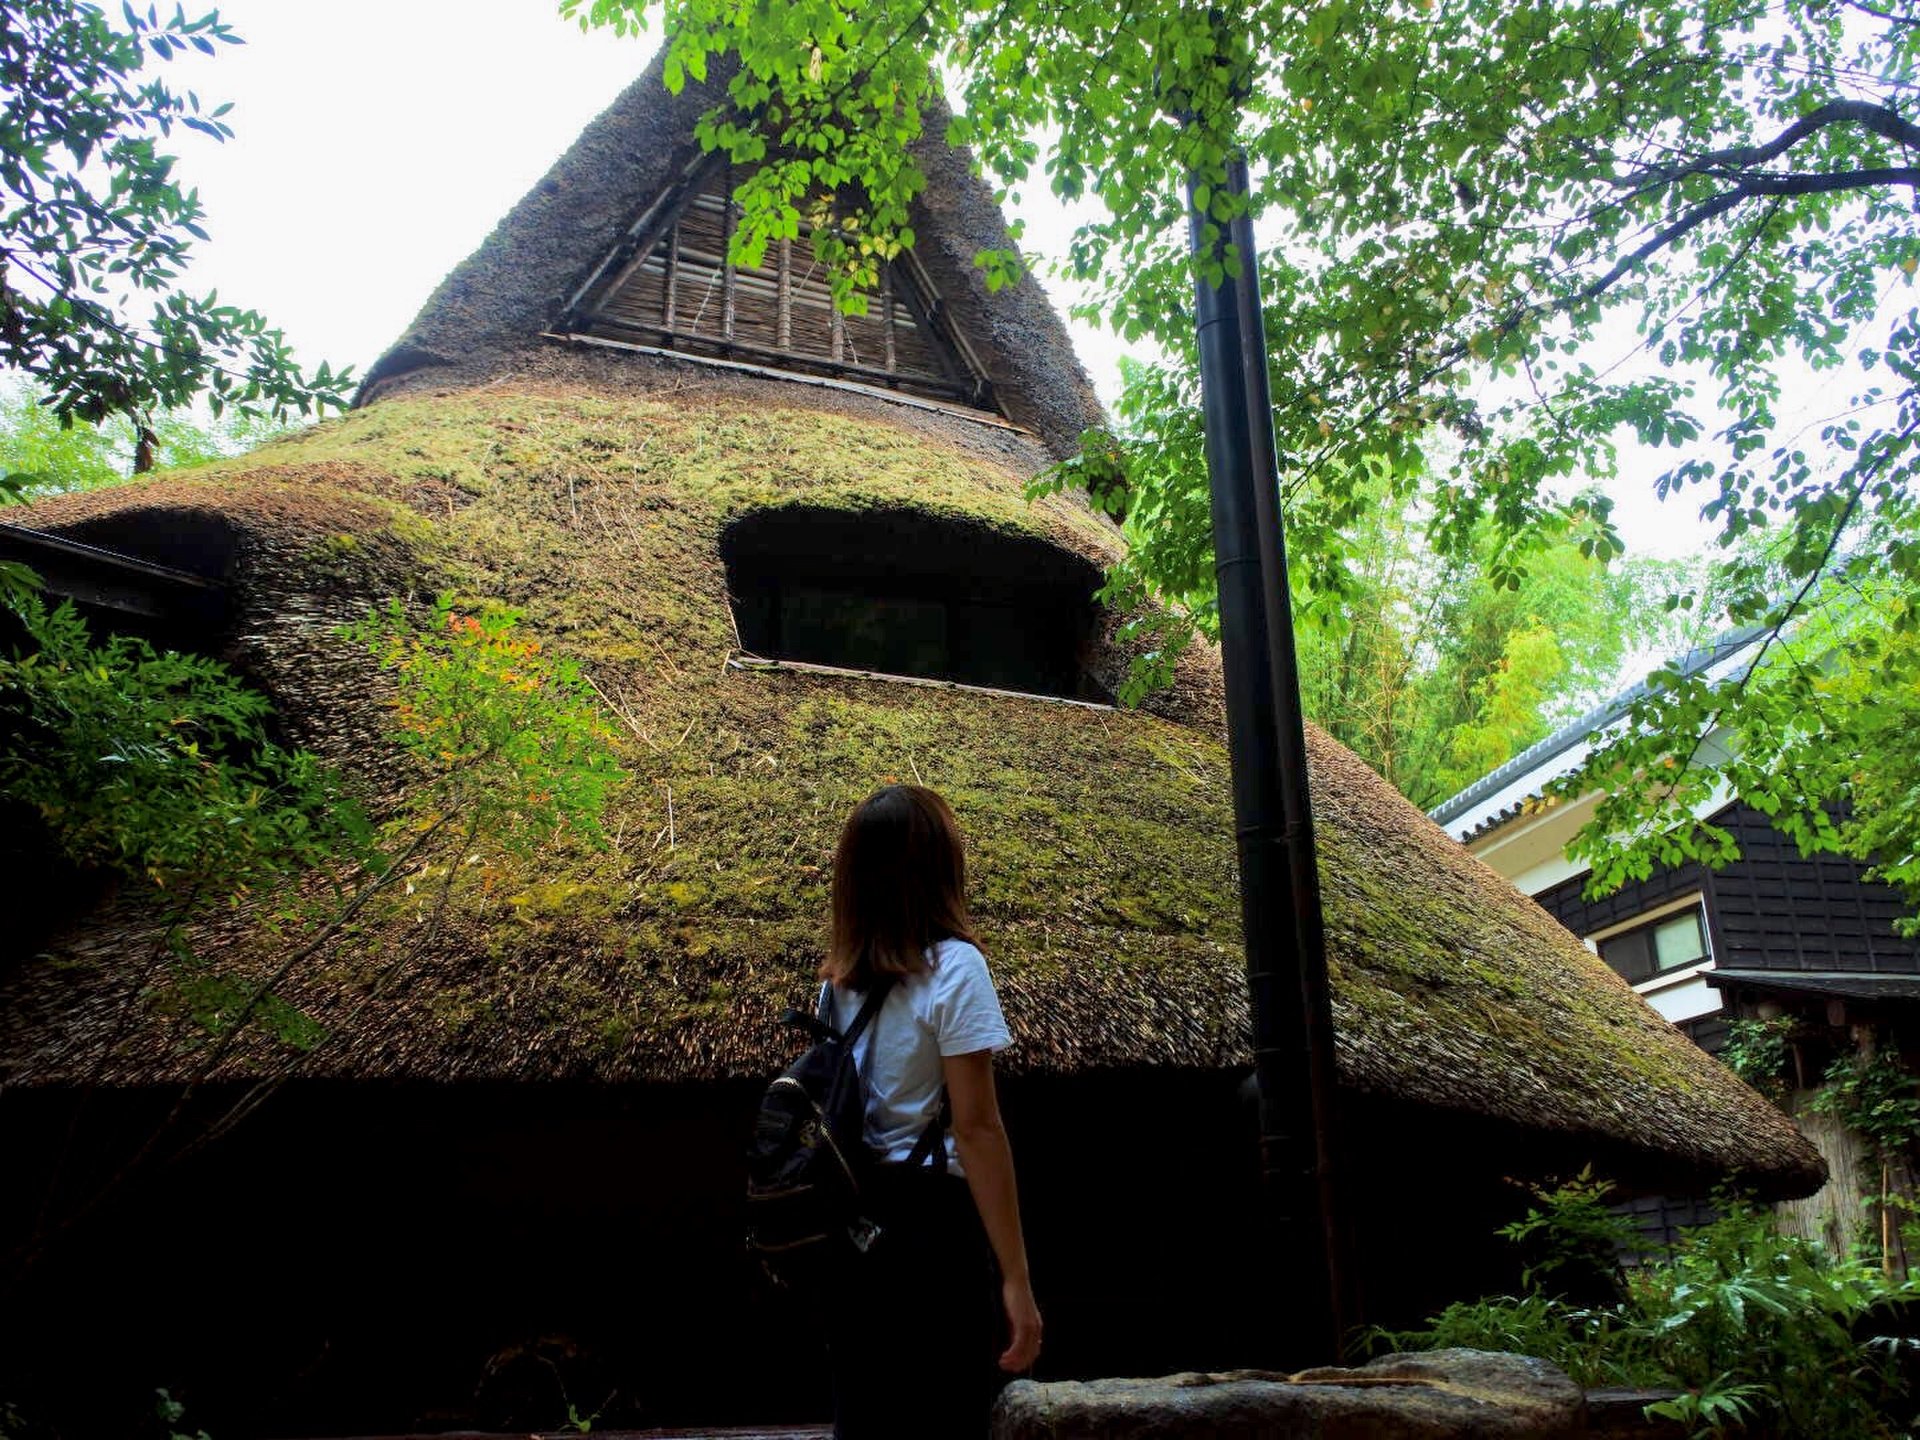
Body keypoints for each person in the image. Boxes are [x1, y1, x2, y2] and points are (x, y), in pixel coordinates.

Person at [818, 784, 1042, 1439]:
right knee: (948, 1419)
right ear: (940, 867)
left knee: (866, 1421)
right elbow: (975, 1128)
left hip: (851, 1239)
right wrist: (1016, 1279)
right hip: (929, 1237)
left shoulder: (836, 983)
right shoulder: (954, 968)